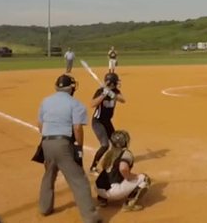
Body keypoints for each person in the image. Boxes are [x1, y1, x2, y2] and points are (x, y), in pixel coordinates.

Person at [37, 75, 100, 223]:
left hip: (46, 143)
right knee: (79, 180)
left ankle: (45, 208)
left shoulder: (46, 101)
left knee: (49, 175)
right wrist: (79, 147)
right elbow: (77, 128)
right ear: (72, 88)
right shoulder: (76, 104)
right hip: (63, 145)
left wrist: (48, 138)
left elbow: (40, 124)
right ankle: (90, 217)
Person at [95, 130, 151, 212]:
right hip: (113, 192)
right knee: (145, 179)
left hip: (98, 188)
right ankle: (128, 204)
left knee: (111, 175)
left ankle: (102, 199)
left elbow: (104, 166)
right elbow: (123, 168)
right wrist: (131, 177)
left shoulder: (110, 152)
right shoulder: (126, 153)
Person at [89, 72, 125, 174]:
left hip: (107, 122)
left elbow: (123, 100)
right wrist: (103, 94)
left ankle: (113, 162)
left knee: (117, 143)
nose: (118, 84)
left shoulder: (116, 91)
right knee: (105, 145)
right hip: (98, 122)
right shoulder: (100, 91)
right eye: (116, 82)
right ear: (112, 83)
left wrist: (113, 95)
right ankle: (93, 167)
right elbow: (92, 104)